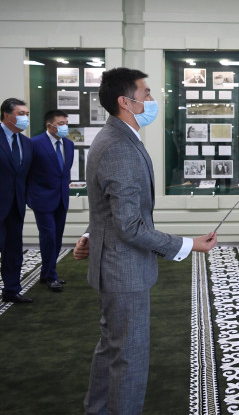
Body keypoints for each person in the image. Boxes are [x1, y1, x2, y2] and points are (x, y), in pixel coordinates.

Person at [73, 67, 218, 415]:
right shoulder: (118, 146)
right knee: (129, 356)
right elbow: (130, 226)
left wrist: (91, 234)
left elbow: (109, 207)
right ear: (126, 101)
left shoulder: (115, 138)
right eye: (147, 93)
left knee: (112, 347)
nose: (152, 100)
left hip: (115, 265)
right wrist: (188, 245)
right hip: (123, 271)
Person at [27, 109, 75, 292]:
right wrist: (29, 197)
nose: (65, 127)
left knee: (57, 238)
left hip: (61, 198)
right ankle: (51, 276)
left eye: (66, 123)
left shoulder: (69, 144)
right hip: (42, 199)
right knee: (48, 237)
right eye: (61, 124)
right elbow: (27, 173)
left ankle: (46, 273)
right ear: (49, 125)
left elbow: (65, 172)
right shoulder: (35, 143)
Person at [0, 98, 34, 303]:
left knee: (13, 250)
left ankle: (11, 290)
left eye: (27, 114)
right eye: (21, 114)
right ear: (6, 115)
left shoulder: (26, 143)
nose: (25, 118)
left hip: (16, 205)